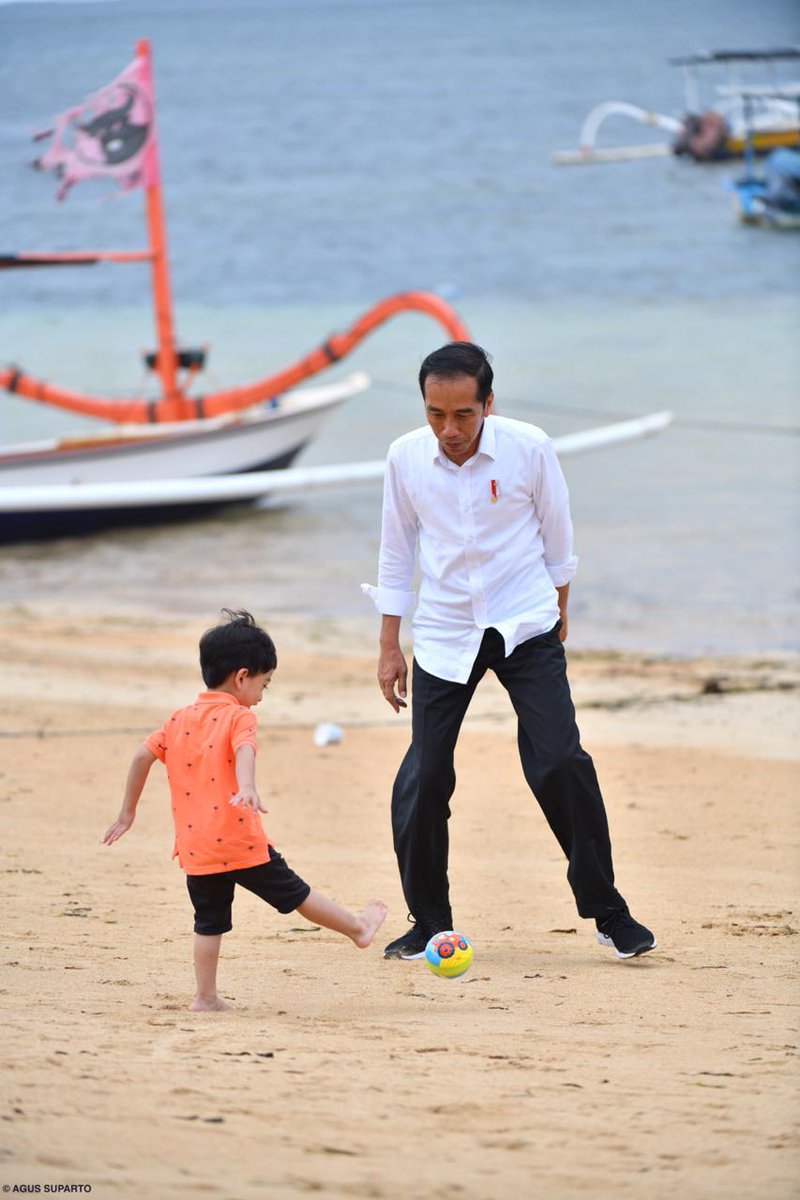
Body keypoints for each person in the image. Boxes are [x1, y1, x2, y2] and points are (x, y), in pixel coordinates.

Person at [362, 342, 655, 962]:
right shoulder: (405, 459)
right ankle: (429, 922)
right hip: (444, 631)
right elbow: (396, 551)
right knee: (425, 774)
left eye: (463, 414)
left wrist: (559, 610)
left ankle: (609, 911)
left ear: (488, 404)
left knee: (560, 761)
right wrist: (390, 644)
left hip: (524, 621)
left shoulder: (529, 448)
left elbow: (558, 537)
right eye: (435, 414)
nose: (449, 430)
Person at [102, 609, 387, 1011]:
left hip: (196, 846)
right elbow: (244, 749)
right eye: (264, 684)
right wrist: (248, 785)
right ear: (241, 677)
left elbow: (141, 756)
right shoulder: (240, 716)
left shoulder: (179, 717)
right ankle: (358, 928)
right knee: (297, 894)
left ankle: (204, 997)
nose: (262, 695)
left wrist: (127, 812)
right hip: (238, 841)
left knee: (208, 921)